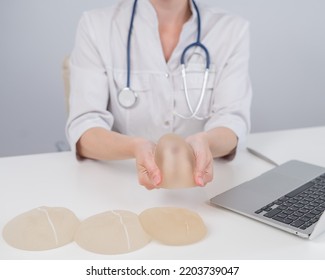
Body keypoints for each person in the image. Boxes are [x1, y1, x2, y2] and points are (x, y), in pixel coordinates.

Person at [66, 0, 252, 190]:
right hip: (119, 183)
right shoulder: (97, 26)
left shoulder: (230, 30)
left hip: (204, 187)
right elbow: (84, 128)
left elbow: (232, 121)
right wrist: (134, 147)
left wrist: (206, 142)